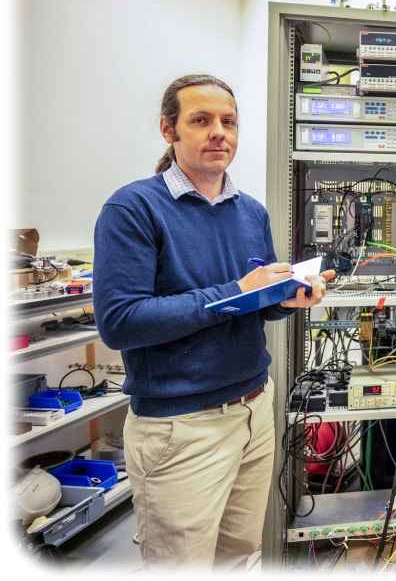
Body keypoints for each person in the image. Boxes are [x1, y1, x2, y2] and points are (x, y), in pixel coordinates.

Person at [94, 74, 334, 569]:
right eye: (201, 120)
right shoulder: (133, 209)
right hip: (181, 427)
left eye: (228, 121)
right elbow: (121, 322)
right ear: (169, 130)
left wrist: (287, 298)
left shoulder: (250, 213)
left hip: (253, 410)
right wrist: (236, 291)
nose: (218, 132)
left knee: (240, 558)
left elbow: (253, 303)